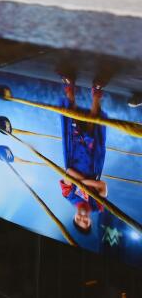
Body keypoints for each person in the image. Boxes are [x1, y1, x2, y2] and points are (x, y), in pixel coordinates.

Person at [58, 74, 109, 235]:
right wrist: (82, 183)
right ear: (90, 221)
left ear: (74, 218)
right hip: (93, 161)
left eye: (79, 222)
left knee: (72, 120)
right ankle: (96, 93)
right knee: (93, 126)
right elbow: (103, 186)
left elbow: (68, 173)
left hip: (75, 155)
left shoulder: (68, 196)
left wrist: (84, 184)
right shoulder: (98, 207)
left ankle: (70, 88)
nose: (83, 219)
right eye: (86, 223)